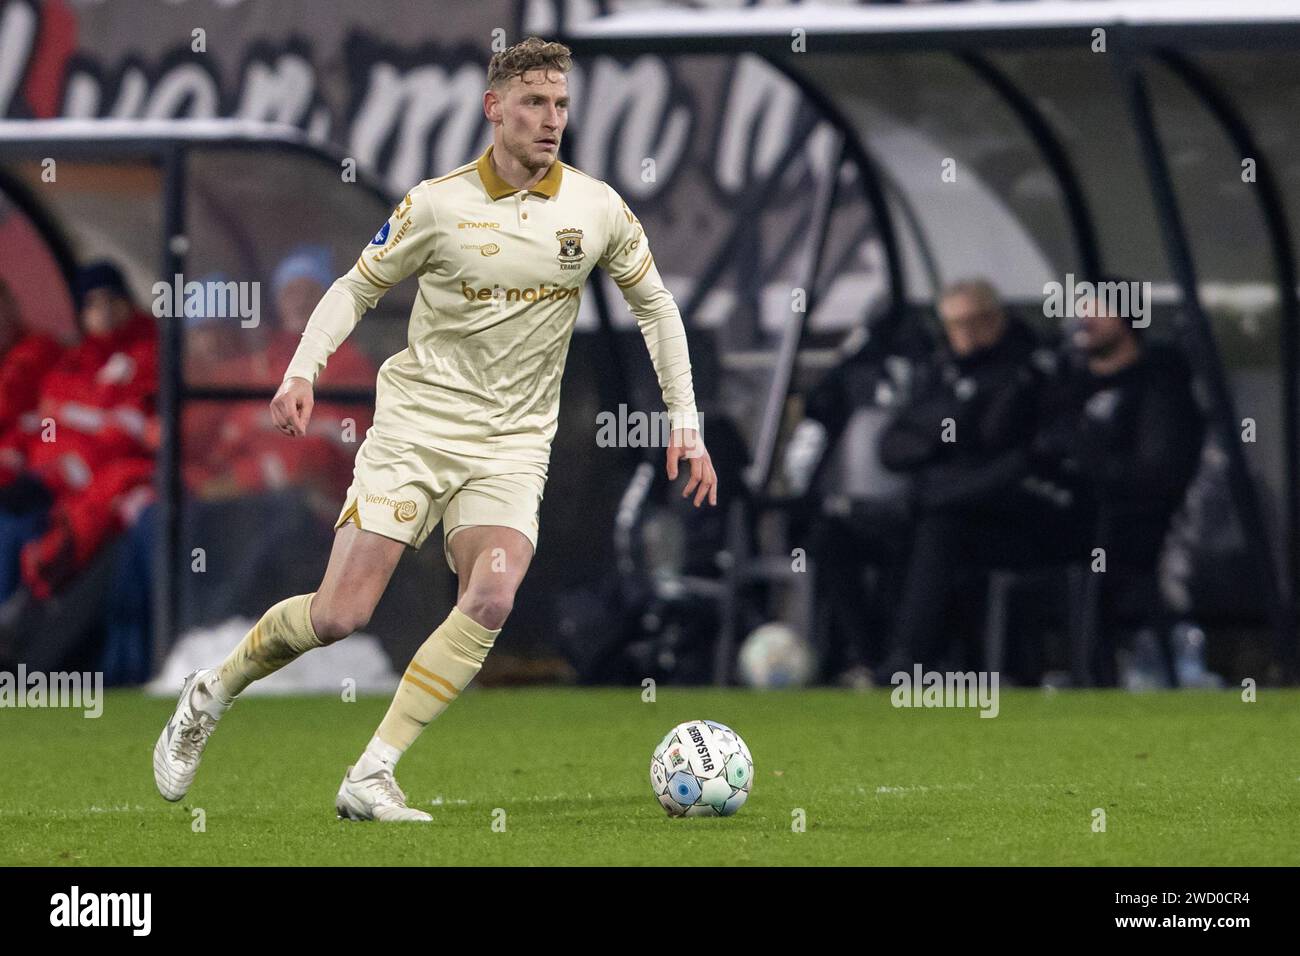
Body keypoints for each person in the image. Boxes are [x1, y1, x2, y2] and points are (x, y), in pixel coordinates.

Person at [153, 37, 718, 821]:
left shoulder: (596, 209)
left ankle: (373, 771)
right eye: (533, 103)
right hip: (417, 432)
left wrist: (683, 422)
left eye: (560, 104)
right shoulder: (437, 206)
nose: (551, 119)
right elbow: (355, 287)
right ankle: (211, 691)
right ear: (495, 108)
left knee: (490, 597)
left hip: (513, 446)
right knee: (340, 615)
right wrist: (303, 369)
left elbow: (656, 307)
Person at [879, 279, 1065, 673]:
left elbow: (1003, 449)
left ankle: (908, 661)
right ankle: (860, 656)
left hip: (1016, 521)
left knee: (938, 526)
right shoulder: (939, 370)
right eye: (954, 324)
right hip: (940, 502)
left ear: (996, 318)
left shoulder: (1029, 372)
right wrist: (939, 438)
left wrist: (936, 449)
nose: (964, 333)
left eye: (974, 321)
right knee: (837, 533)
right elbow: (892, 445)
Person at [1031, 283, 1205, 685]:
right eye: (1081, 308)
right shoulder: (1065, 385)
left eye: (1098, 309)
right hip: (1052, 515)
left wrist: (1087, 456)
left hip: (1126, 525)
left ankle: (1092, 673)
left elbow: (1157, 475)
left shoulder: (1160, 387)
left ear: (1129, 318)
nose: (1084, 320)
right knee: (951, 523)